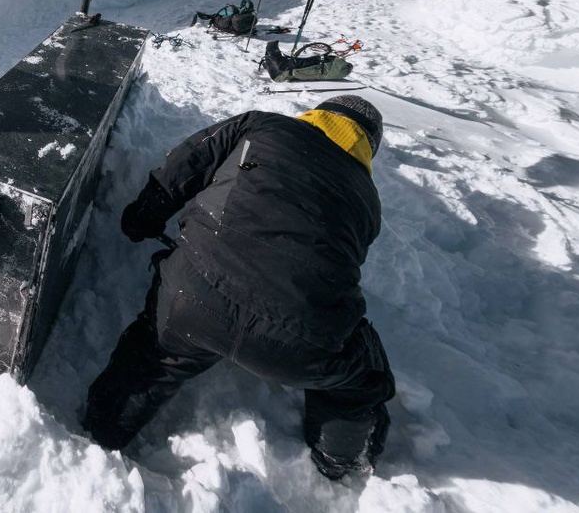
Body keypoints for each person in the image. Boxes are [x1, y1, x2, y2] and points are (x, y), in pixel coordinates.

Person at [82, 95, 395, 480]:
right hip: (301, 341)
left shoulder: (262, 126)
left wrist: (143, 217)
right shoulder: (367, 199)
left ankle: (100, 431)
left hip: (194, 298)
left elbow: (188, 162)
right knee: (362, 379)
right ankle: (339, 459)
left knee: (155, 357)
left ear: (319, 115)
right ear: (367, 146)